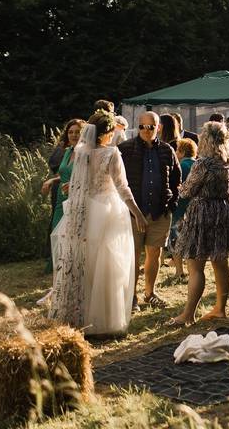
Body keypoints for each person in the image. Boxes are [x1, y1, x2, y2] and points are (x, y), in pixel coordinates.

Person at [49, 110, 142, 336]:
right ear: (108, 132)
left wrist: (71, 187)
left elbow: (79, 181)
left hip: (83, 212)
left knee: (85, 263)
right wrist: (137, 213)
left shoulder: (80, 152)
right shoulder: (112, 154)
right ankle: (103, 321)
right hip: (107, 211)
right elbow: (122, 187)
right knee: (108, 266)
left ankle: (78, 316)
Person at [168, 122, 229, 325]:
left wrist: (180, 187)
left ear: (205, 139)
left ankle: (188, 314)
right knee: (220, 261)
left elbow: (187, 191)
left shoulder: (203, 163)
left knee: (196, 265)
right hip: (227, 209)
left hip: (204, 212)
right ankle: (220, 308)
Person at [118, 111, 181, 311]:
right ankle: (132, 297)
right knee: (133, 256)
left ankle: (149, 293)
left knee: (155, 253)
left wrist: (172, 202)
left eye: (151, 127)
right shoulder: (125, 149)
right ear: (138, 127)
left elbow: (177, 178)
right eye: (142, 127)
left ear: (158, 127)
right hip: (133, 212)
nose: (146, 130)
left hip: (160, 211)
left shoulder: (167, 150)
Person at [42, 119, 85, 272]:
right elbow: (65, 173)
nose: (73, 135)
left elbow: (89, 177)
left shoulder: (86, 153)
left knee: (71, 234)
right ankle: (59, 266)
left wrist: (74, 185)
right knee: (57, 232)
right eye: (70, 132)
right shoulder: (68, 151)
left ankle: (71, 267)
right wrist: (52, 180)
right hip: (61, 197)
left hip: (77, 197)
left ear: (84, 133)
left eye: (77, 131)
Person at [168, 138, 198, 282]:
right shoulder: (197, 164)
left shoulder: (183, 166)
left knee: (176, 239)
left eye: (177, 150)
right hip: (194, 207)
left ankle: (179, 271)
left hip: (181, 206)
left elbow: (178, 187)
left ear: (182, 151)